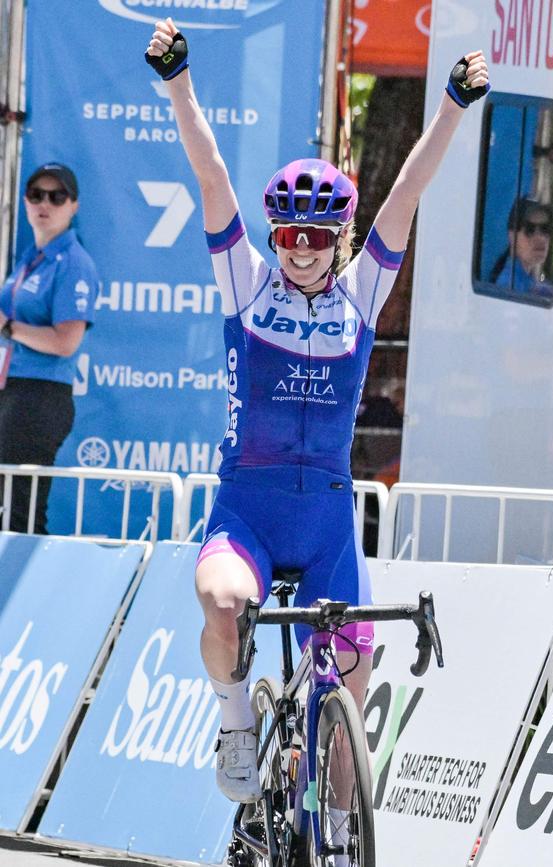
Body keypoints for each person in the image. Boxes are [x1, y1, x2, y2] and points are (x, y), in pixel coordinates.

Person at [145, 18, 490, 804]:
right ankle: (237, 719)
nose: (301, 248)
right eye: (291, 234)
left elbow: (404, 195)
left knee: (344, 751)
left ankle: (332, 830)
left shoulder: (361, 294)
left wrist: (453, 108)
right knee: (225, 602)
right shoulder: (249, 285)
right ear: (276, 236)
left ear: (340, 241)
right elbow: (210, 178)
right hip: (250, 510)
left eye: (318, 236)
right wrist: (179, 85)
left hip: (329, 519)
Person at [0, 163, 98, 534]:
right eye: (36, 195)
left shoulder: (73, 262)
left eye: (57, 196)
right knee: (7, 505)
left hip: (40, 396)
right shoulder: (30, 256)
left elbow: (66, 341)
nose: (45, 203)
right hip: (14, 390)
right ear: (25, 202)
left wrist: (9, 326)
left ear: (73, 205)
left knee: (20, 511)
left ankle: (26, 590)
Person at [490, 197, 553, 298]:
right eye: (530, 229)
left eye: (545, 229)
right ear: (512, 236)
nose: (540, 237)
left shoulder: (527, 280)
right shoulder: (508, 285)